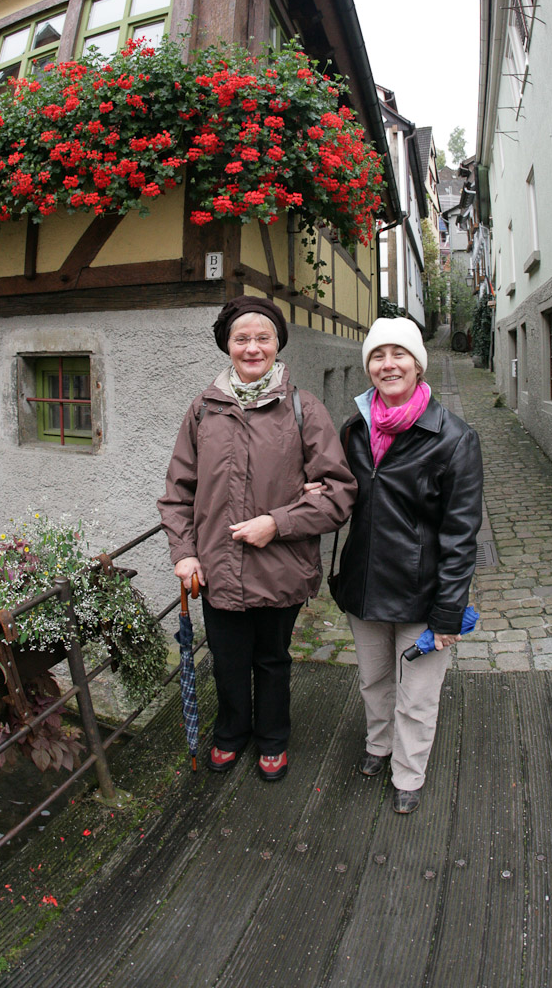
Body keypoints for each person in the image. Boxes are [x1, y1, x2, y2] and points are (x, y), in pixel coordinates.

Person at [158, 296, 357, 782]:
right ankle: (231, 733)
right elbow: (178, 492)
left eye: (262, 338)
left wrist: (277, 522)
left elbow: (339, 493)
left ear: (277, 344)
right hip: (217, 567)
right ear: (227, 345)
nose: (253, 348)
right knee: (227, 660)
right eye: (242, 338)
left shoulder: (303, 409)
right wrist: (184, 554)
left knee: (272, 660)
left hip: (281, 567)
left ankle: (272, 739)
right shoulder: (203, 410)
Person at [334, 317, 482, 814]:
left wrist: (449, 612)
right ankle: (379, 746)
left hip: (422, 593)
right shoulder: (355, 429)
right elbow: (341, 495)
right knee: (374, 681)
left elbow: (461, 536)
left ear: (418, 364)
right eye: (378, 356)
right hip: (365, 584)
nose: (388, 364)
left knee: (417, 695)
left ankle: (408, 772)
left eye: (399, 354)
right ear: (368, 367)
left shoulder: (454, 438)